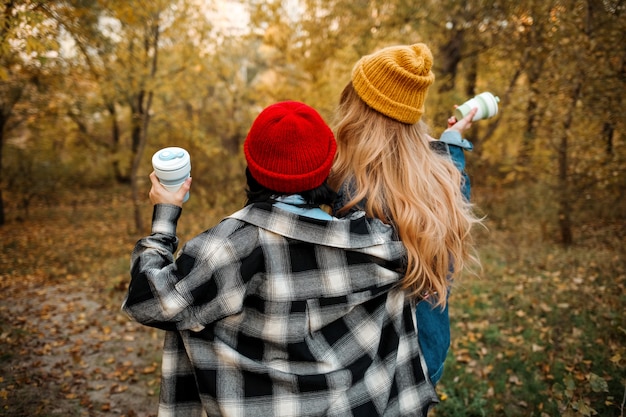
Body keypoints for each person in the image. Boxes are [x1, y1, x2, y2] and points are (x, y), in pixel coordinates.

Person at [122, 100, 439, 416]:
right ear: (328, 168)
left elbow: (148, 301)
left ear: (252, 168)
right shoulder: (377, 243)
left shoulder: (230, 246)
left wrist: (165, 213)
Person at [329, 43, 482, 385]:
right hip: (427, 355)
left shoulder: (351, 188)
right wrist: (452, 139)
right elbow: (449, 168)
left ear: (360, 109)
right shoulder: (445, 182)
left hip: (370, 364)